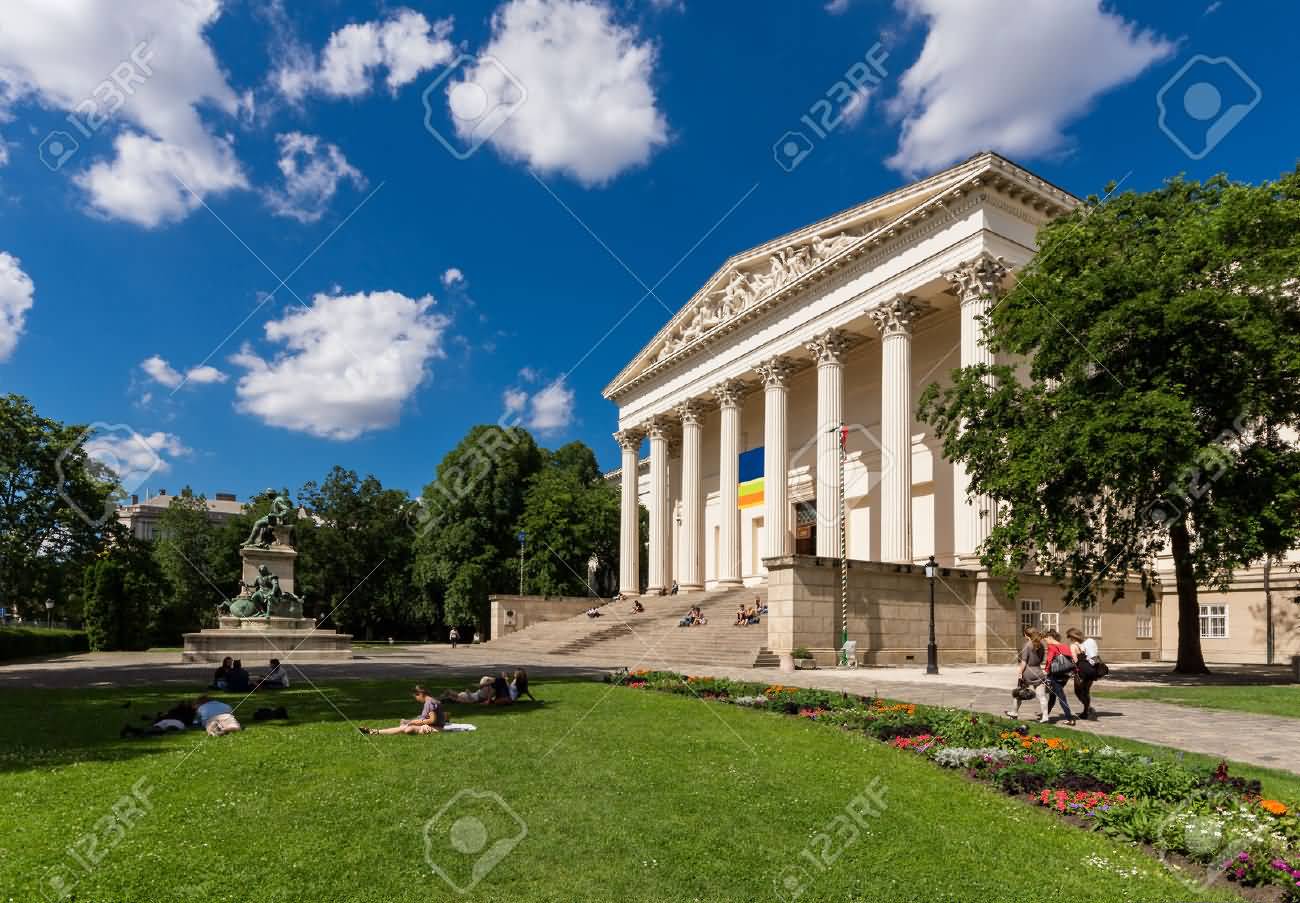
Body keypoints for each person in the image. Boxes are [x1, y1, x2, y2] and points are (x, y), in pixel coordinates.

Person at [1005, 627, 1050, 722]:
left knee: (1018, 693)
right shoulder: (1041, 645)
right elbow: (1041, 660)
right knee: (1042, 697)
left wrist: (1020, 673)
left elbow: (1024, 662)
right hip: (1038, 672)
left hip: (1027, 673)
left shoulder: (1027, 645)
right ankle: (1045, 717)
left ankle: (1014, 712)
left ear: (1027, 635)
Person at [359, 685, 445, 735]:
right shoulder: (434, 700)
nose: (417, 699)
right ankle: (375, 731)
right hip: (436, 726)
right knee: (405, 723)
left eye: (416, 697)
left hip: (434, 728)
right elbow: (442, 715)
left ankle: (374, 732)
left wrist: (414, 722)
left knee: (407, 729)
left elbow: (432, 720)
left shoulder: (429, 703)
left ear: (421, 694)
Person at [1042, 629, 1078, 725]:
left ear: (1050, 638)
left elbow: (1049, 660)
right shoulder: (1065, 646)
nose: (1046, 642)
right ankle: (1045, 715)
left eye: (1045, 640)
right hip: (1065, 675)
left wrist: (1046, 671)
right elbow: (1072, 660)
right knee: (1053, 695)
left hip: (1055, 675)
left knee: (1061, 696)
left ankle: (1069, 718)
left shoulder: (1052, 647)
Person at [1068, 627, 1102, 719]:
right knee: (1086, 691)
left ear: (1073, 636)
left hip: (1081, 671)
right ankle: (1086, 711)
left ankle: (1088, 709)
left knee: (1078, 691)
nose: (1069, 639)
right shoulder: (1087, 643)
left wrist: (1070, 668)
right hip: (1091, 670)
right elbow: (1094, 656)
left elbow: (1075, 660)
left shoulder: (1073, 646)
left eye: (1069, 636)